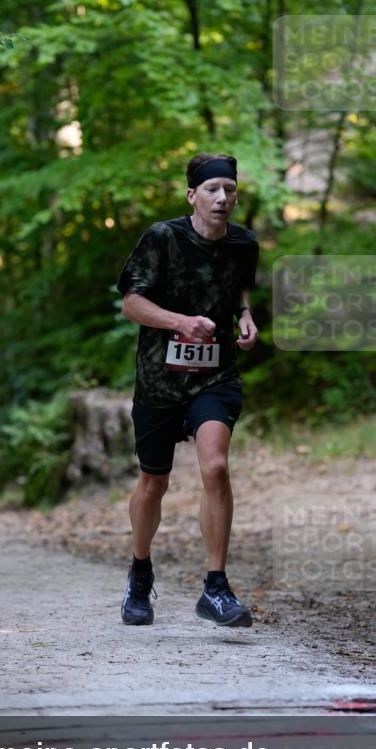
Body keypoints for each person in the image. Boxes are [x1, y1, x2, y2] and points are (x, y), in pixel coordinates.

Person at [116, 152, 259, 627]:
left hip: (216, 376)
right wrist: (180, 322)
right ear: (192, 195)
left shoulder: (244, 244)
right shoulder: (163, 238)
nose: (222, 198)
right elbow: (132, 304)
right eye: (213, 189)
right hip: (159, 381)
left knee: (215, 467)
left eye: (230, 190)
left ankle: (215, 588)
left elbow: (238, 287)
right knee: (154, 482)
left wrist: (244, 315)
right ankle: (140, 574)